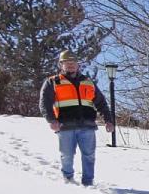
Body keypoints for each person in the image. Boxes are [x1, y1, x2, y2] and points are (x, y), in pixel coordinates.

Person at [38, 50, 114, 186]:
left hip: (87, 125)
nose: (71, 65)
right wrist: (51, 120)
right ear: (61, 65)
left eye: (73, 62)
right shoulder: (52, 82)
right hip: (65, 126)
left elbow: (101, 103)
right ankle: (68, 179)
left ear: (78, 65)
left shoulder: (88, 82)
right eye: (67, 63)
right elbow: (44, 103)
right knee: (67, 155)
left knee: (89, 155)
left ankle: (88, 182)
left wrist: (108, 120)